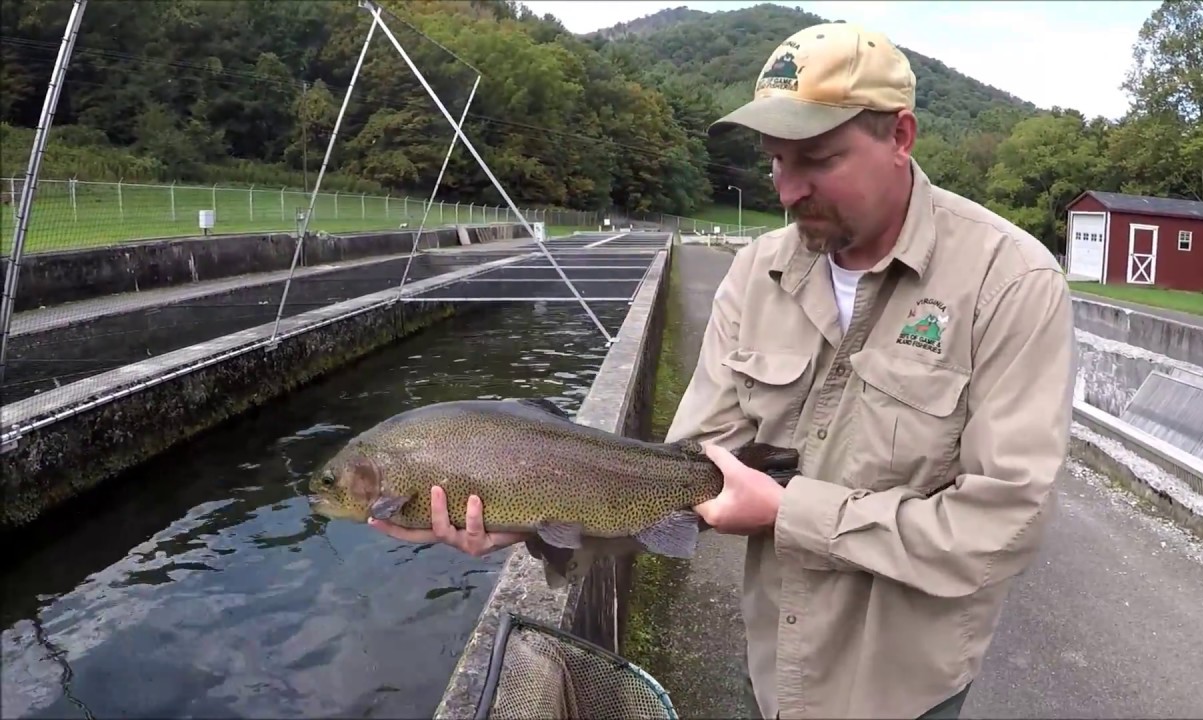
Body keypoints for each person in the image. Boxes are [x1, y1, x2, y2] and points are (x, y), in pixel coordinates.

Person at [369, 20, 1076, 720]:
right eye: (775, 161)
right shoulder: (756, 272)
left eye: (817, 159)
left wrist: (791, 513)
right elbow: (680, 479)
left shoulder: (1010, 283)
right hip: (772, 669)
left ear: (900, 136)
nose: (787, 191)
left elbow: (1005, 525)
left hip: (906, 694)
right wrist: (527, 519)